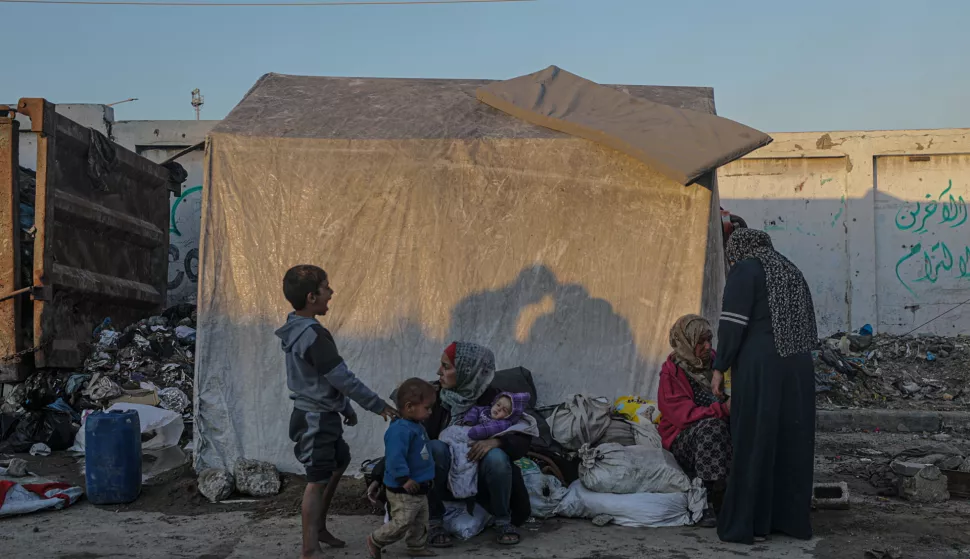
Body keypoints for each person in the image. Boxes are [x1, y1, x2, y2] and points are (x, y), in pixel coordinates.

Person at [276, 265, 397, 559]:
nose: (331, 293)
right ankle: (309, 548)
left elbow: (322, 380)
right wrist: (378, 405)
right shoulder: (313, 335)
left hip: (319, 413)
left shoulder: (297, 327)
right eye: (326, 288)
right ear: (312, 296)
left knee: (339, 460)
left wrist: (344, 407)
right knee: (316, 480)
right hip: (316, 419)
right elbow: (342, 378)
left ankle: (317, 527)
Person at [710, 229, 817, 544]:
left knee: (755, 438)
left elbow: (732, 323)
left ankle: (746, 524)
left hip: (762, 366)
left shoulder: (747, 268)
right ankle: (789, 521)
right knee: (790, 441)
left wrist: (720, 367)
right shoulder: (790, 269)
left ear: (738, 251)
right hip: (798, 368)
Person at [657, 314, 731, 529]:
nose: (707, 346)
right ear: (686, 342)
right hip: (683, 438)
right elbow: (682, 416)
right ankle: (705, 498)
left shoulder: (717, 364)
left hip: (717, 435)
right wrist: (723, 409)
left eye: (710, 339)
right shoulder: (671, 373)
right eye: (701, 342)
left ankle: (733, 495)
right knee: (712, 428)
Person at [366, 378, 438, 559]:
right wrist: (404, 479)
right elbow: (395, 458)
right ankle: (376, 539)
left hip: (419, 486)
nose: (430, 412)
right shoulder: (399, 430)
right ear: (409, 406)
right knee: (403, 521)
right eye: (427, 407)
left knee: (420, 520)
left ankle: (416, 546)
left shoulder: (416, 426)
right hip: (403, 488)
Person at [462, 392, 531, 441]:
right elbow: (475, 409)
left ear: (510, 415)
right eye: (498, 405)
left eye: (504, 410)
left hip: (477, 438)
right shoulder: (486, 409)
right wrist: (469, 420)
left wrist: (475, 431)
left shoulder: (503, 423)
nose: (499, 409)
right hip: (467, 429)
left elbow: (489, 429)